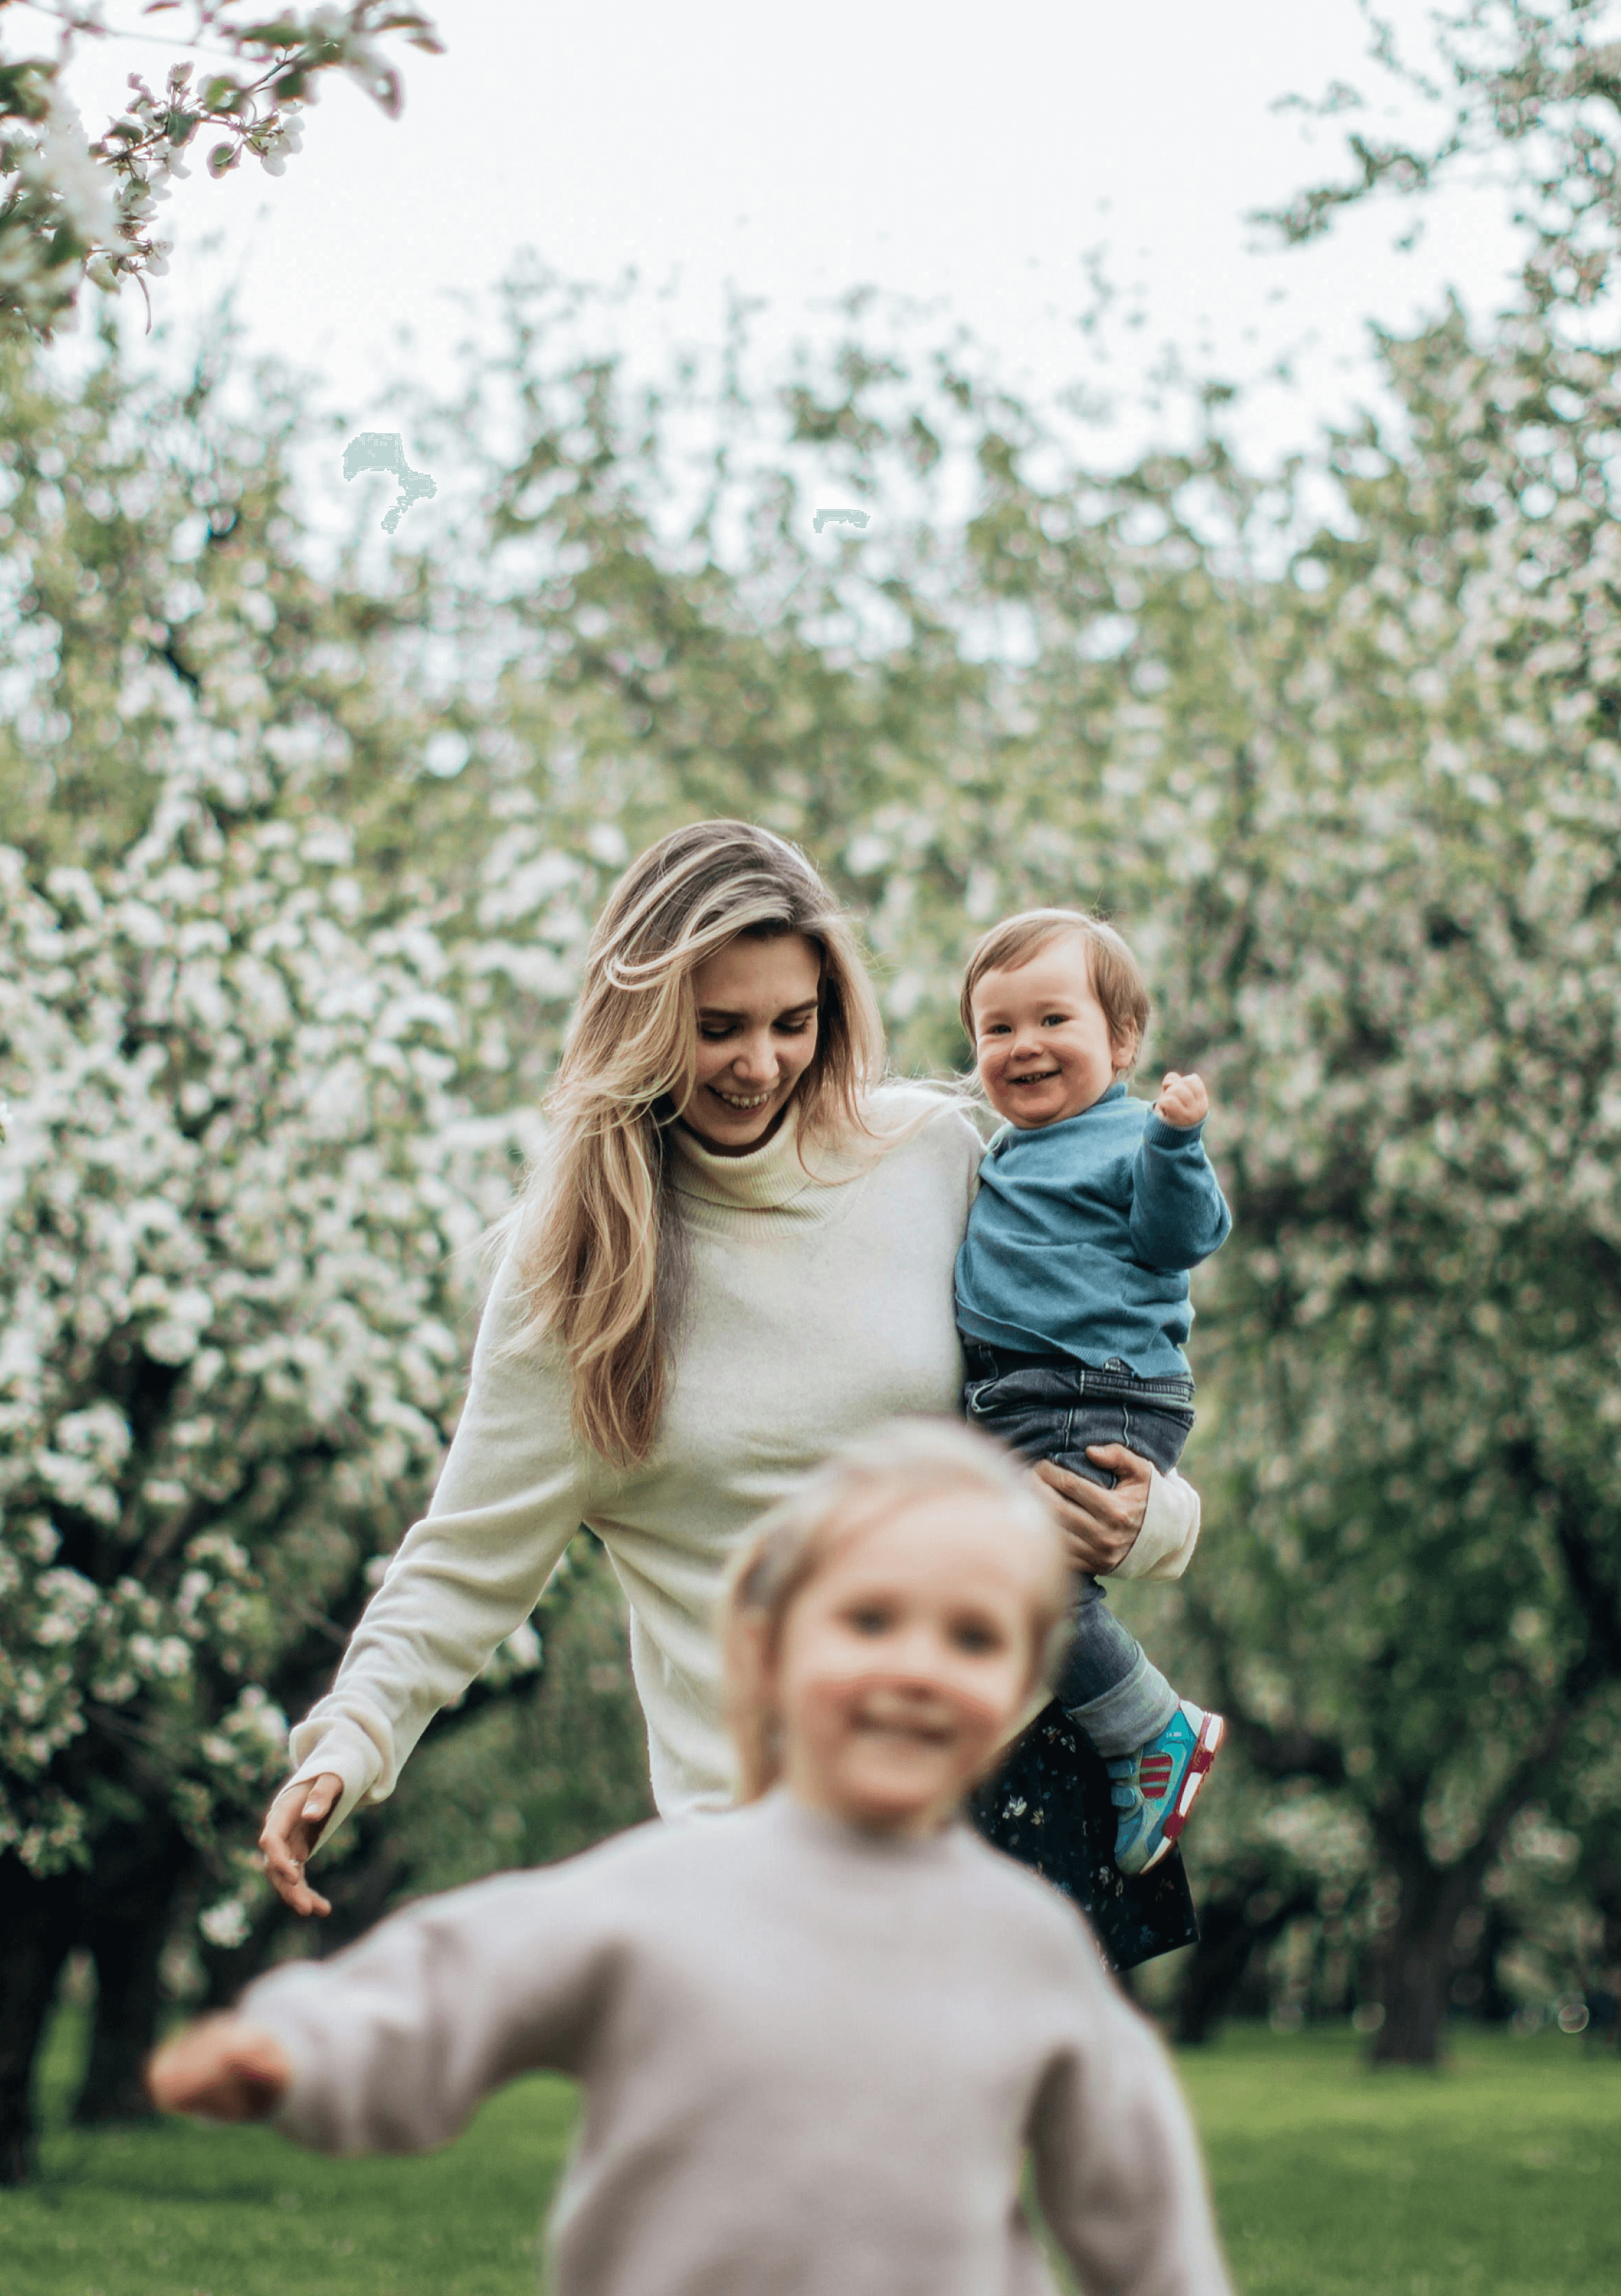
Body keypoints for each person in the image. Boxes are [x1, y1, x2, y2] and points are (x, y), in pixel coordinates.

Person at [258, 822, 1205, 1959]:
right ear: (641, 1022)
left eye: (792, 1023)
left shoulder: (938, 1155)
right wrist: (348, 1740)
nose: (760, 1064)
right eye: (718, 1029)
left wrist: (1155, 1519)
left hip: (1009, 1797)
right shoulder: (578, 1275)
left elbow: (1091, 1363)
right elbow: (465, 1558)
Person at [151, 1422, 1235, 2296]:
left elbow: (1133, 2202)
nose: (917, 1668)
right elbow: (456, 1984)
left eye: (971, 1639)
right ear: (767, 1653)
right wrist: (297, 2053)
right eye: (868, 1621)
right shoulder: (664, 1897)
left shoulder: (1027, 1944)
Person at [956, 909, 1230, 1877]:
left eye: (1053, 1021)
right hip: (1034, 1398)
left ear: (1122, 1041)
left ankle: (1149, 1729)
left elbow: (1181, 1236)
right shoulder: (997, 1149)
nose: (1023, 1046)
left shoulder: (1126, 1138)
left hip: (1097, 1394)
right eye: (997, 1029)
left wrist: (1176, 1143)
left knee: (1023, 1578)